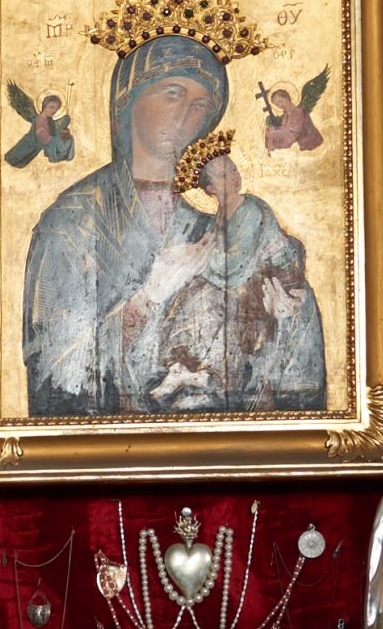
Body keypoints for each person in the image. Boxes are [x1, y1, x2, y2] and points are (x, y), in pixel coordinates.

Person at [21, 26, 325, 423]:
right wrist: (145, 301)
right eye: (173, 93)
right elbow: (55, 376)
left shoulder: (216, 225)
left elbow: (286, 351)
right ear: (128, 98)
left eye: (200, 105)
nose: (185, 115)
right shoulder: (73, 222)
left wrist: (288, 314)